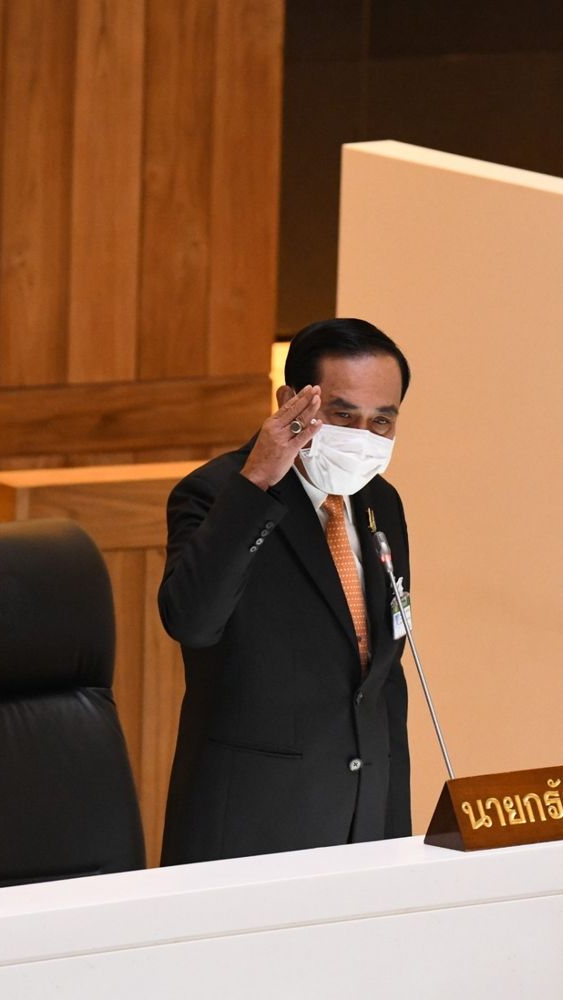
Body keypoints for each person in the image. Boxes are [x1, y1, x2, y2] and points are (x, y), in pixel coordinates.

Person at [158, 318, 413, 864]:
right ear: (291, 402)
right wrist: (255, 485)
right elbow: (192, 621)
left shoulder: (380, 503)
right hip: (252, 828)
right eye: (343, 415)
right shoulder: (217, 494)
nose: (362, 437)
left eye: (382, 422)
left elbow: (383, 677)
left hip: (364, 823)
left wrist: (396, 832)